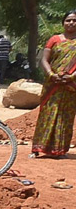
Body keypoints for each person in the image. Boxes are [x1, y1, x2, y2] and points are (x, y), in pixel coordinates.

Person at [31, 11, 76, 158]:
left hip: (71, 86)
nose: (71, 23)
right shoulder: (54, 39)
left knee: (65, 116)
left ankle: (59, 150)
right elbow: (44, 60)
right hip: (52, 84)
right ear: (63, 22)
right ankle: (39, 148)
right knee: (47, 114)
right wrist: (51, 75)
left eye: (74, 21)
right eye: (68, 20)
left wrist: (71, 76)